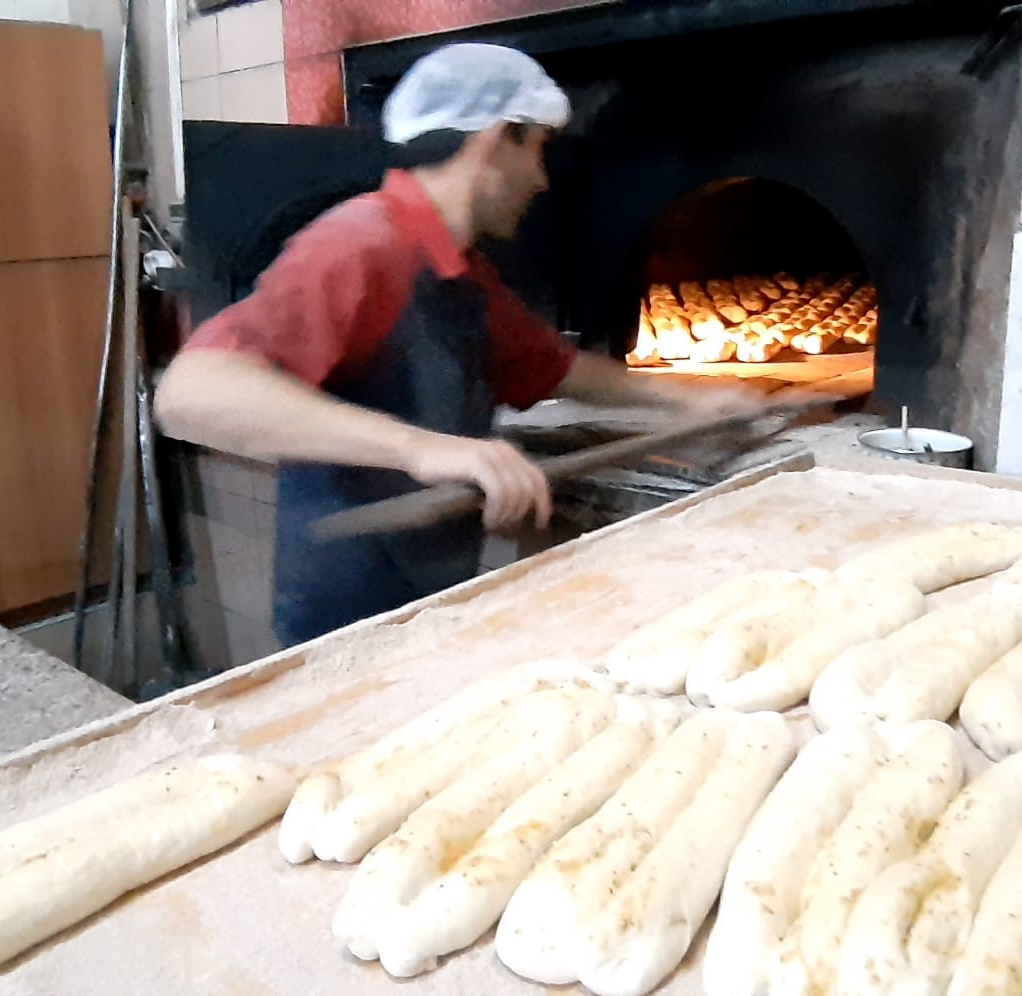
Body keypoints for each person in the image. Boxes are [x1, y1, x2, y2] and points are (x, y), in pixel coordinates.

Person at [156, 43, 764, 647]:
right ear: (497, 138)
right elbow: (193, 392)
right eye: (538, 151)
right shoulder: (360, 244)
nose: (543, 179)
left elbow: (555, 369)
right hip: (346, 616)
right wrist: (422, 449)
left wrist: (685, 399)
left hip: (430, 597)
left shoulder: (460, 270)